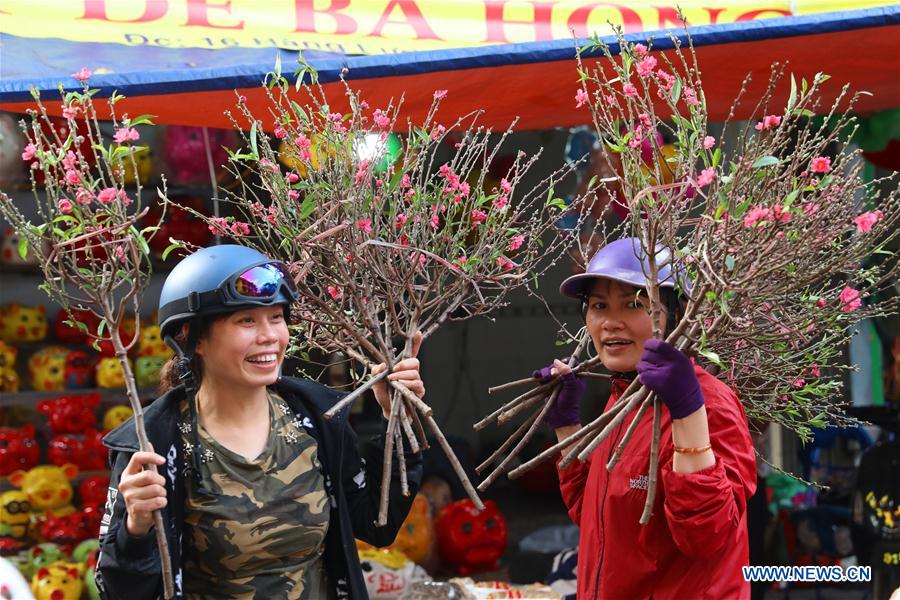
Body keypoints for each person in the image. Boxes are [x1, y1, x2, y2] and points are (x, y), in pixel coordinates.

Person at [95, 245, 425, 599]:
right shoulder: (156, 446)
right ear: (192, 338)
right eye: (246, 320)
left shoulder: (317, 420)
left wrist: (398, 421)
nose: (269, 336)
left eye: (277, 317)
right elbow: (118, 590)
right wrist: (136, 527)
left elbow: (378, 523)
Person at [541, 237, 756, 599]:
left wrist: (688, 412)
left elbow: (707, 536)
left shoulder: (711, 405)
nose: (611, 322)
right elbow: (594, 517)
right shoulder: (623, 400)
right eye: (599, 306)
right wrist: (568, 426)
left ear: (678, 313)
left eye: (634, 305)